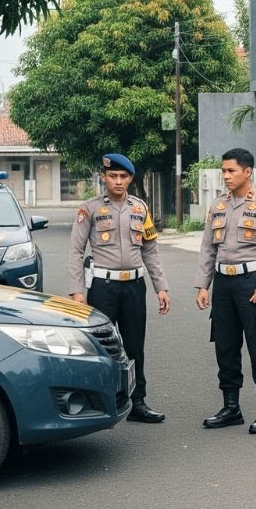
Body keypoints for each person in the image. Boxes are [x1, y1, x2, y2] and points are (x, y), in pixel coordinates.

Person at [67, 153, 170, 424]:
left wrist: (161, 287)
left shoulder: (140, 209)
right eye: (113, 176)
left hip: (135, 287)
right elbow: (76, 252)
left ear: (130, 179)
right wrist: (77, 292)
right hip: (103, 286)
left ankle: (138, 402)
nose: (118, 181)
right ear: (104, 177)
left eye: (123, 177)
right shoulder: (88, 209)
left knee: (135, 346)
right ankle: (102, 401)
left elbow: (150, 250)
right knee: (100, 347)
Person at [195, 147, 256, 434]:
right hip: (223, 283)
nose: (225, 176)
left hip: (253, 282)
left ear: (248, 172)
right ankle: (231, 407)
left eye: (231, 170)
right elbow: (208, 247)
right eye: (223, 170)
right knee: (225, 345)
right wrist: (203, 284)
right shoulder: (218, 205)